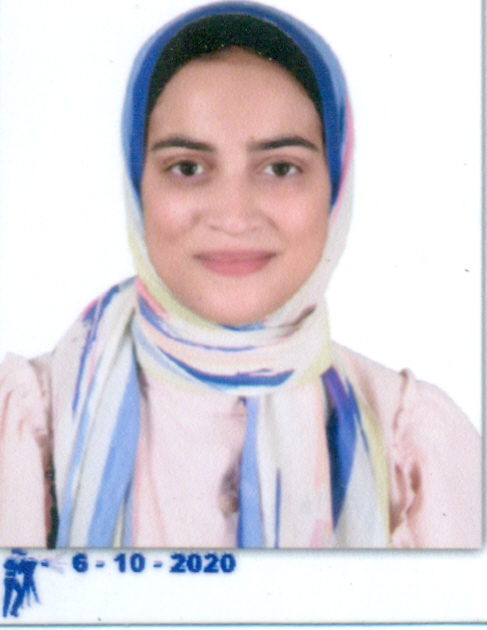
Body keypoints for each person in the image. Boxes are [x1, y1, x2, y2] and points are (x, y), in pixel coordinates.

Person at [0, 1, 480, 549]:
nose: (233, 216)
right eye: (187, 168)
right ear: (138, 185)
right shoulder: (32, 427)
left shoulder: (411, 449)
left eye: (280, 168)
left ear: (336, 185)